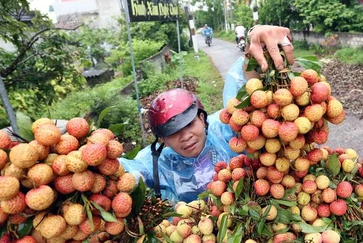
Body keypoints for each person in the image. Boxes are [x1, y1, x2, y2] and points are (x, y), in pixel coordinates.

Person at [119, 25, 294, 203]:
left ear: (202, 119)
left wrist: (256, 36)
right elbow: (122, 173)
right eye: (172, 132)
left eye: (189, 124)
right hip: (189, 228)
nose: (185, 136)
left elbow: (250, 94)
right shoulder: (154, 163)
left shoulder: (225, 129)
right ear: (163, 140)